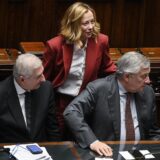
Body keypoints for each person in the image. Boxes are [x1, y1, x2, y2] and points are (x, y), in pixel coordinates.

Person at [64, 51, 160, 157]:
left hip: (140, 155)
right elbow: (71, 112)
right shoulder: (99, 89)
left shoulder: (147, 92)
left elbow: (153, 131)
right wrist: (93, 142)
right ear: (127, 76)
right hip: (106, 154)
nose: (148, 81)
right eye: (144, 76)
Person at [43, 2, 116, 137]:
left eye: (92, 22)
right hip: (61, 102)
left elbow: (108, 68)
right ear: (73, 24)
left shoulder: (101, 41)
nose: (90, 27)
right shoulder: (55, 46)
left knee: (85, 141)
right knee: (59, 141)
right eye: (85, 23)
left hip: (87, 101)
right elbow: (44, 78)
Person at [0, 53, 61, 143]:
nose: (43, 79)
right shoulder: (2, 93)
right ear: (22, 79)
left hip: (41, 151)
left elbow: (52, 127)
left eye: (42, 73)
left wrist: (56, 151)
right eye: (38, 76)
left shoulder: (46, 88)